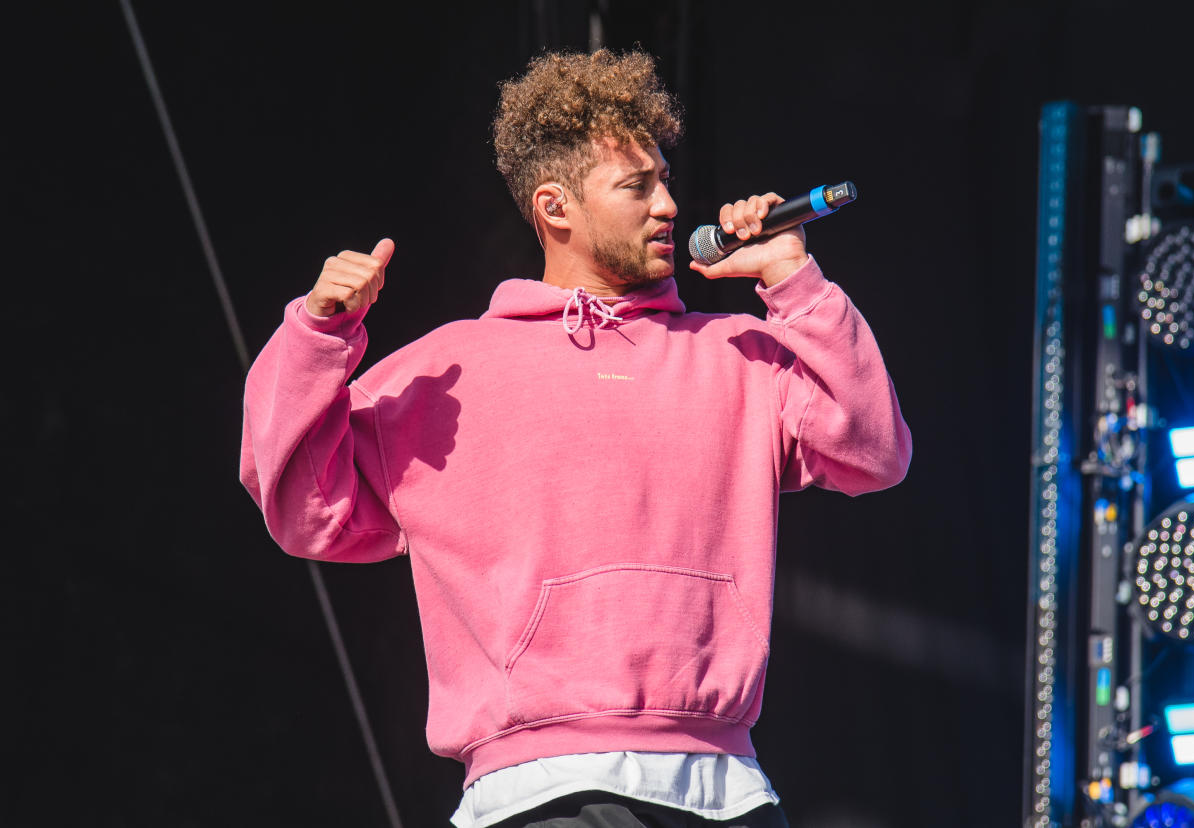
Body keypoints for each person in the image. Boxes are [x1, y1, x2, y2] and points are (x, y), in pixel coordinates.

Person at [241, 49, 911, 828]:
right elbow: (303, 510)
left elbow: (875, 452)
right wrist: (317, 334)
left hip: (726, 787)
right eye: (637, 186)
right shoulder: (448, 368)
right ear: (555, 207)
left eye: (665, 179)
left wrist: (795, 282)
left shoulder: (737, 355)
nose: (668, 205)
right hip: (536, 790)